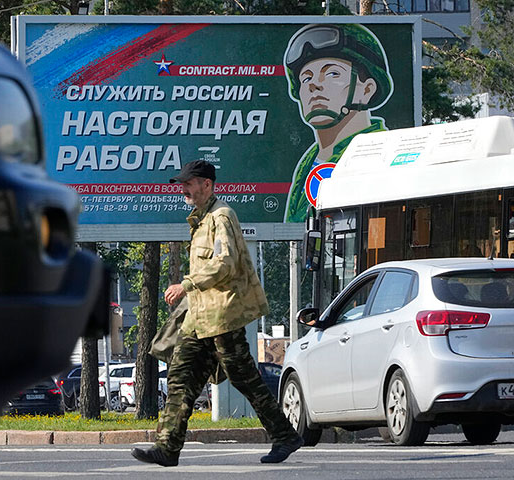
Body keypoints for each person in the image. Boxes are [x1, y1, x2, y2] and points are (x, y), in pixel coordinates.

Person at [131, 160, 302, 467]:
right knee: (180, 378)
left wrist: (186, 284)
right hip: (199, 319)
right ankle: (167, 448)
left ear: (206, 185)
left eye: (189, 182)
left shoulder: (221, 217)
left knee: (244, 377)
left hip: (222, 317)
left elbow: (225, 263)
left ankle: (285, 435)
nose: (183, 188)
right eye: (182, 183)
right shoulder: (200, 220)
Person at [284, 24, 394, 223]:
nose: (313, 84)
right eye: (306, 77)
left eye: (332, 74)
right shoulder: (308, 163)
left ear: (366, 90)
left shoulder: (378, 156)